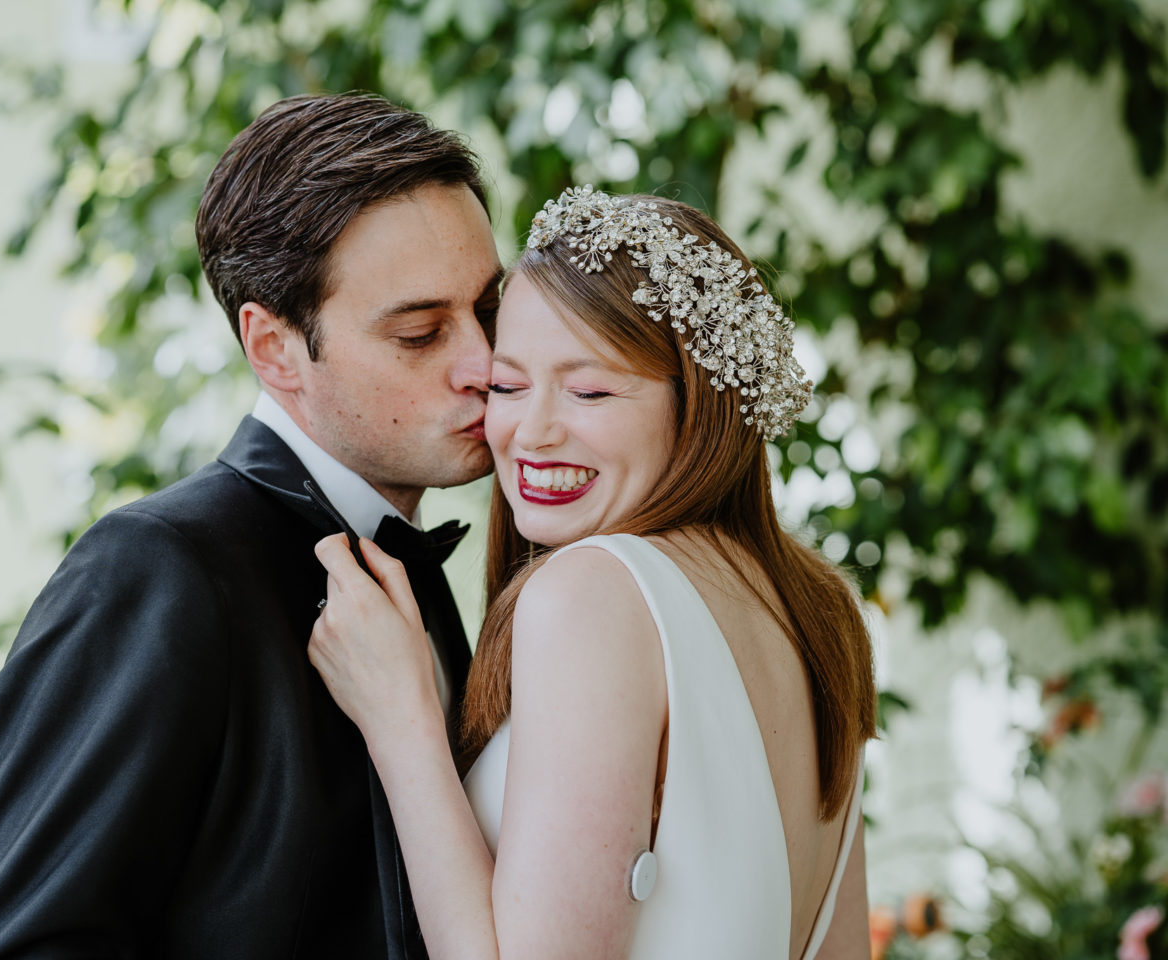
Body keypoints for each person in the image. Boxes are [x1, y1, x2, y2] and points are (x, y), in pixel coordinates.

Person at [0, 93, 503, 959]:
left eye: (489, 311)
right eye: (422, 333)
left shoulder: (409, 564)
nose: (486, 366)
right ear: (274, 349)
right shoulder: (153, 573)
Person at [309, 186, 878, 959]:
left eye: (590, 390)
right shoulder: (815, 608)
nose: (531, 432)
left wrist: (400, 720)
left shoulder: (594, 594)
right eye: (508, 387)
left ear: (699, 405)